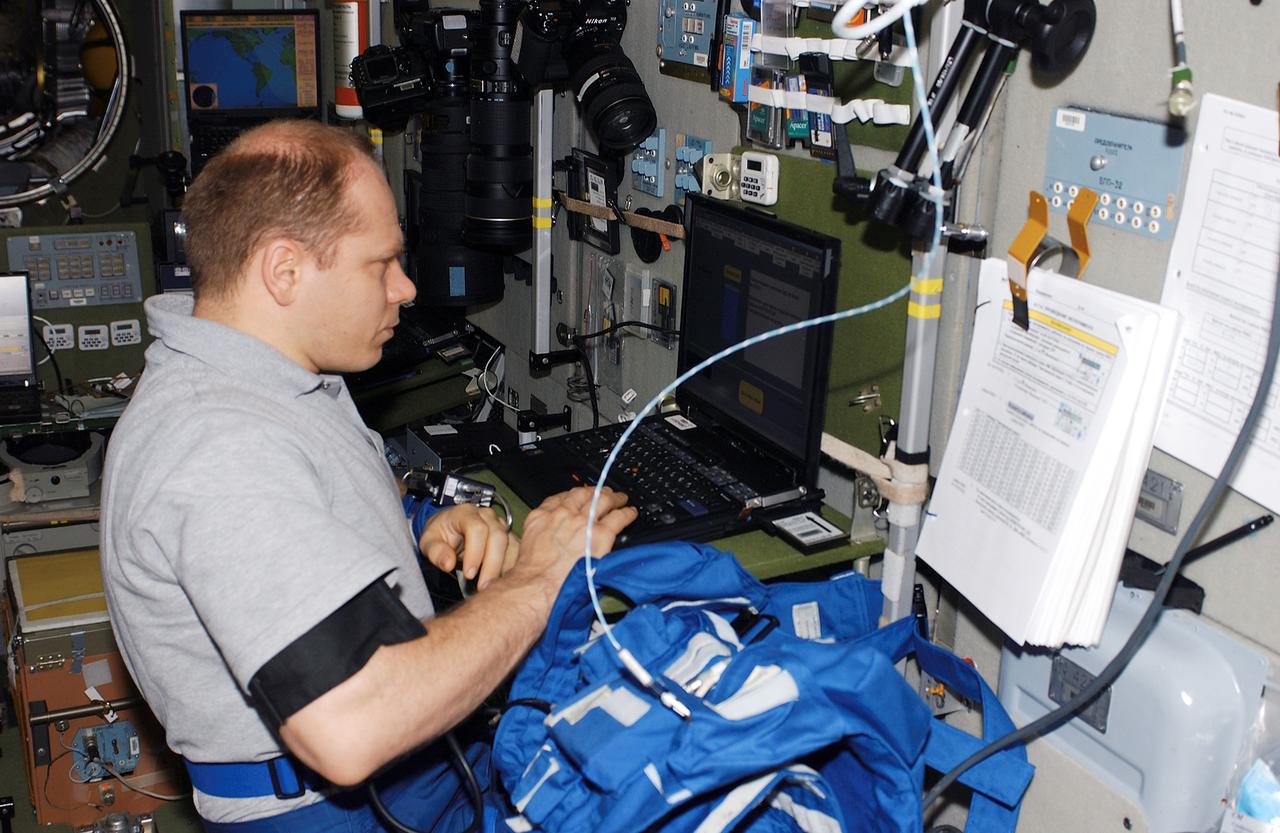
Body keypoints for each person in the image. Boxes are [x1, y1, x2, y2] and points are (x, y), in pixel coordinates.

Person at [99, 120, 637, 831]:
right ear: (283, 270)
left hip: (407, 778)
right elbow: (350, 725)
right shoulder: (216, 442)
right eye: (381, 263)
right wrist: (540, 575)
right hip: (327, 806)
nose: (406, 288)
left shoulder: (261, 371)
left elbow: (305, 501)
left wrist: (417, 525)